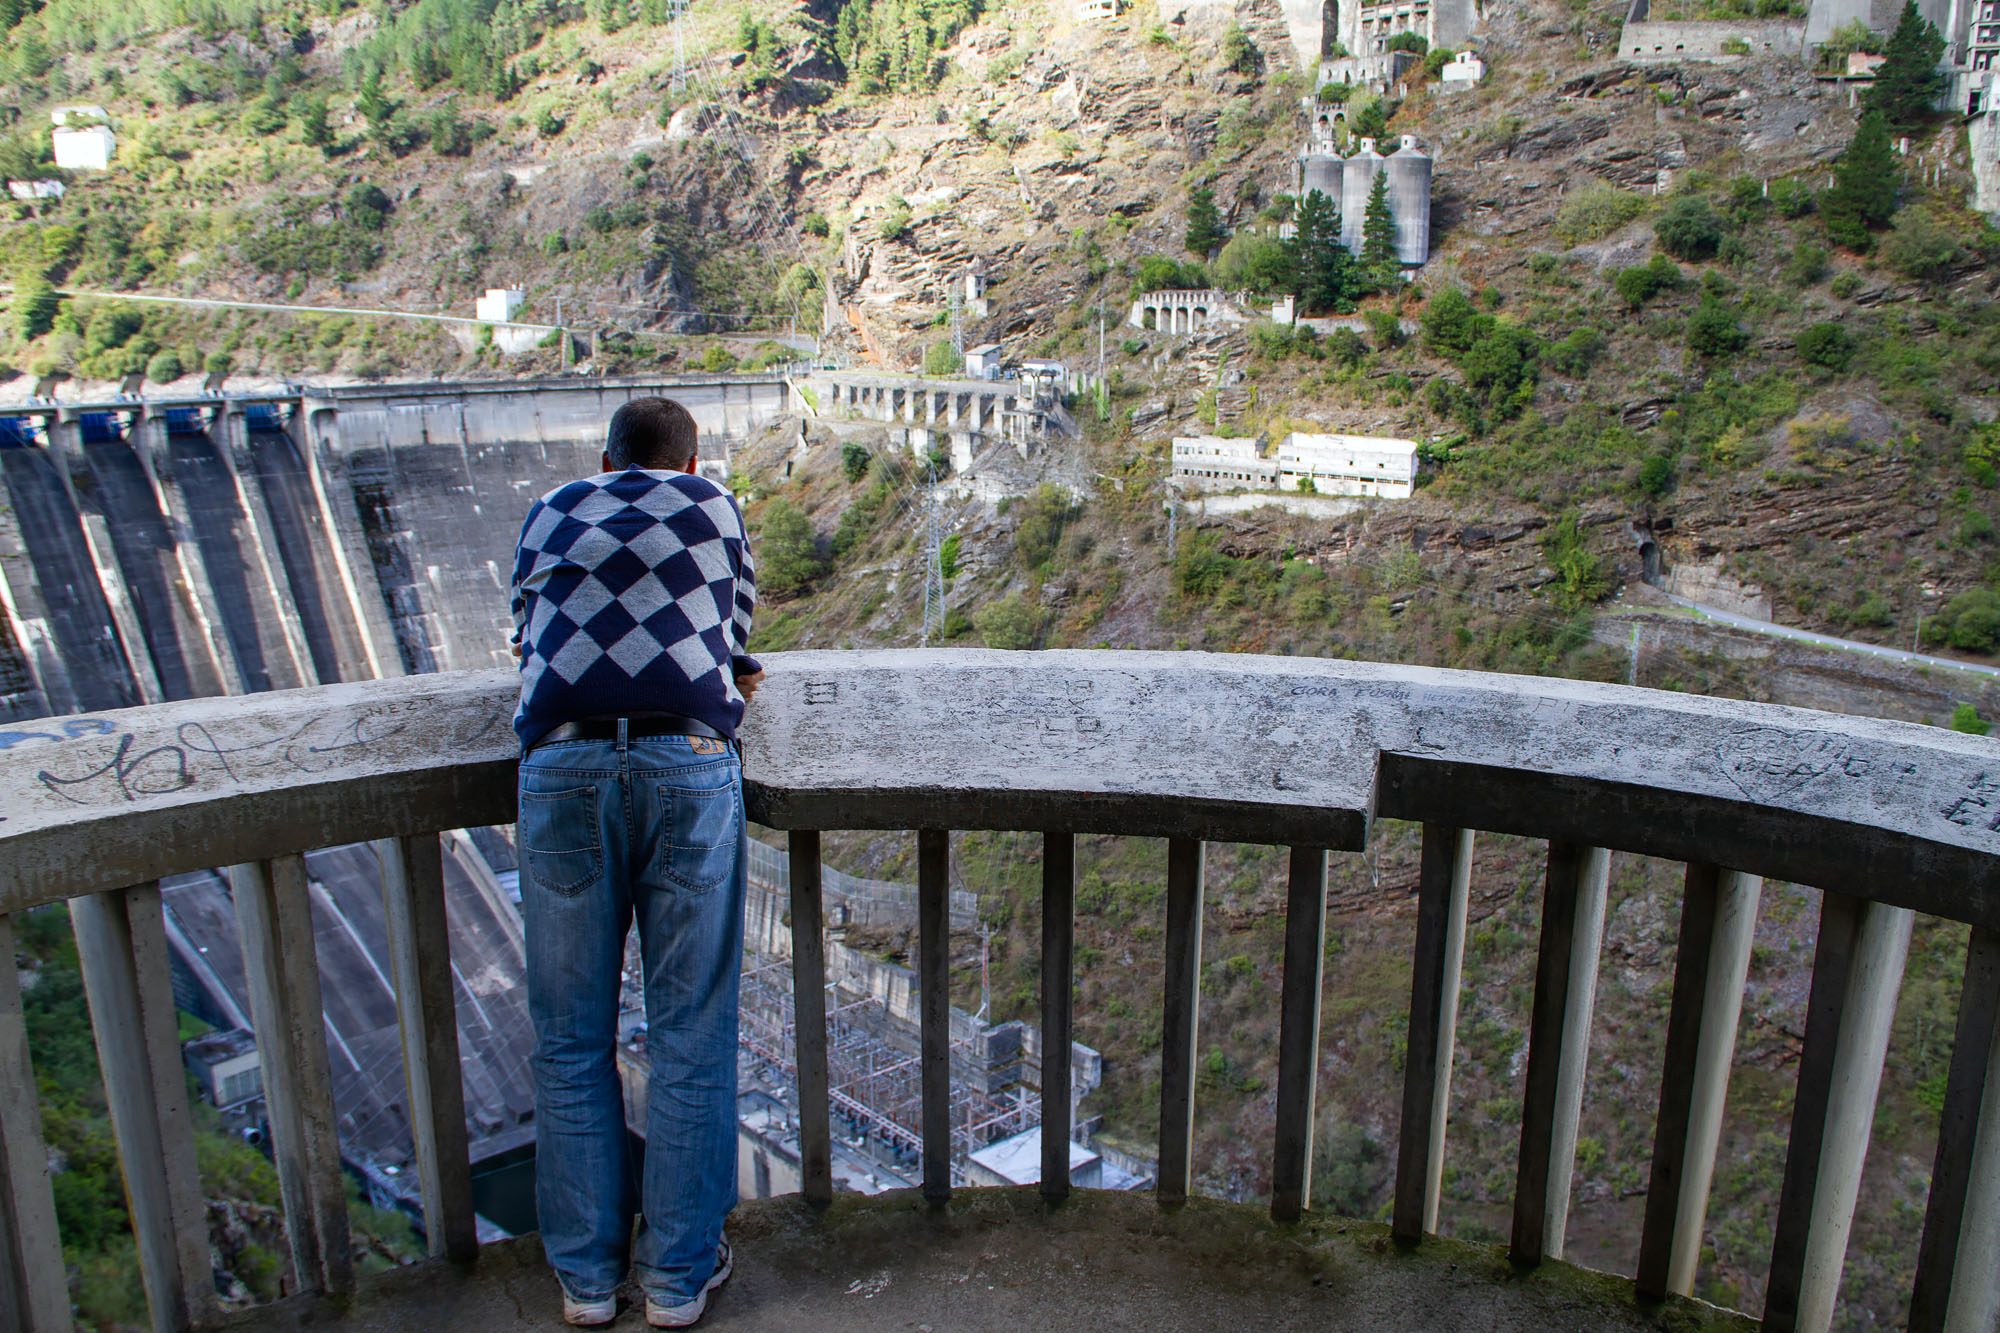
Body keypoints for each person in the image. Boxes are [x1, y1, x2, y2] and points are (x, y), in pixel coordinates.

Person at [510, 396, 763, 1329]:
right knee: (690, 1031)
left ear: (604, 458)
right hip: (686, 762)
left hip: (564, 762)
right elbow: (730, 637)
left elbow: (524, 634)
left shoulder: (551, 507)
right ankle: (676, 1278)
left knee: (570, 1038)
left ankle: (584, 1279)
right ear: (690, 463)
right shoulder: (715, 507)